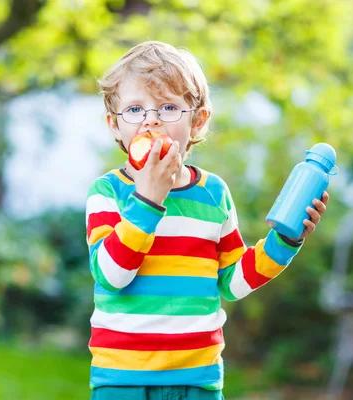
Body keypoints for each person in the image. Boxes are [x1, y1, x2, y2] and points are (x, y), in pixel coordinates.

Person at [85, 41, 329, 400]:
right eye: (135, 109)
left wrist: (286, 241)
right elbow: (112, 275)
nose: (150, 120)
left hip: (197, 379)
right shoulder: (109, 192)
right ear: (115, 125)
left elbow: (233, 282)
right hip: (123, 379)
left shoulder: (212, 193)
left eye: (168, 107)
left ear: (197, 120)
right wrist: (149, 198)